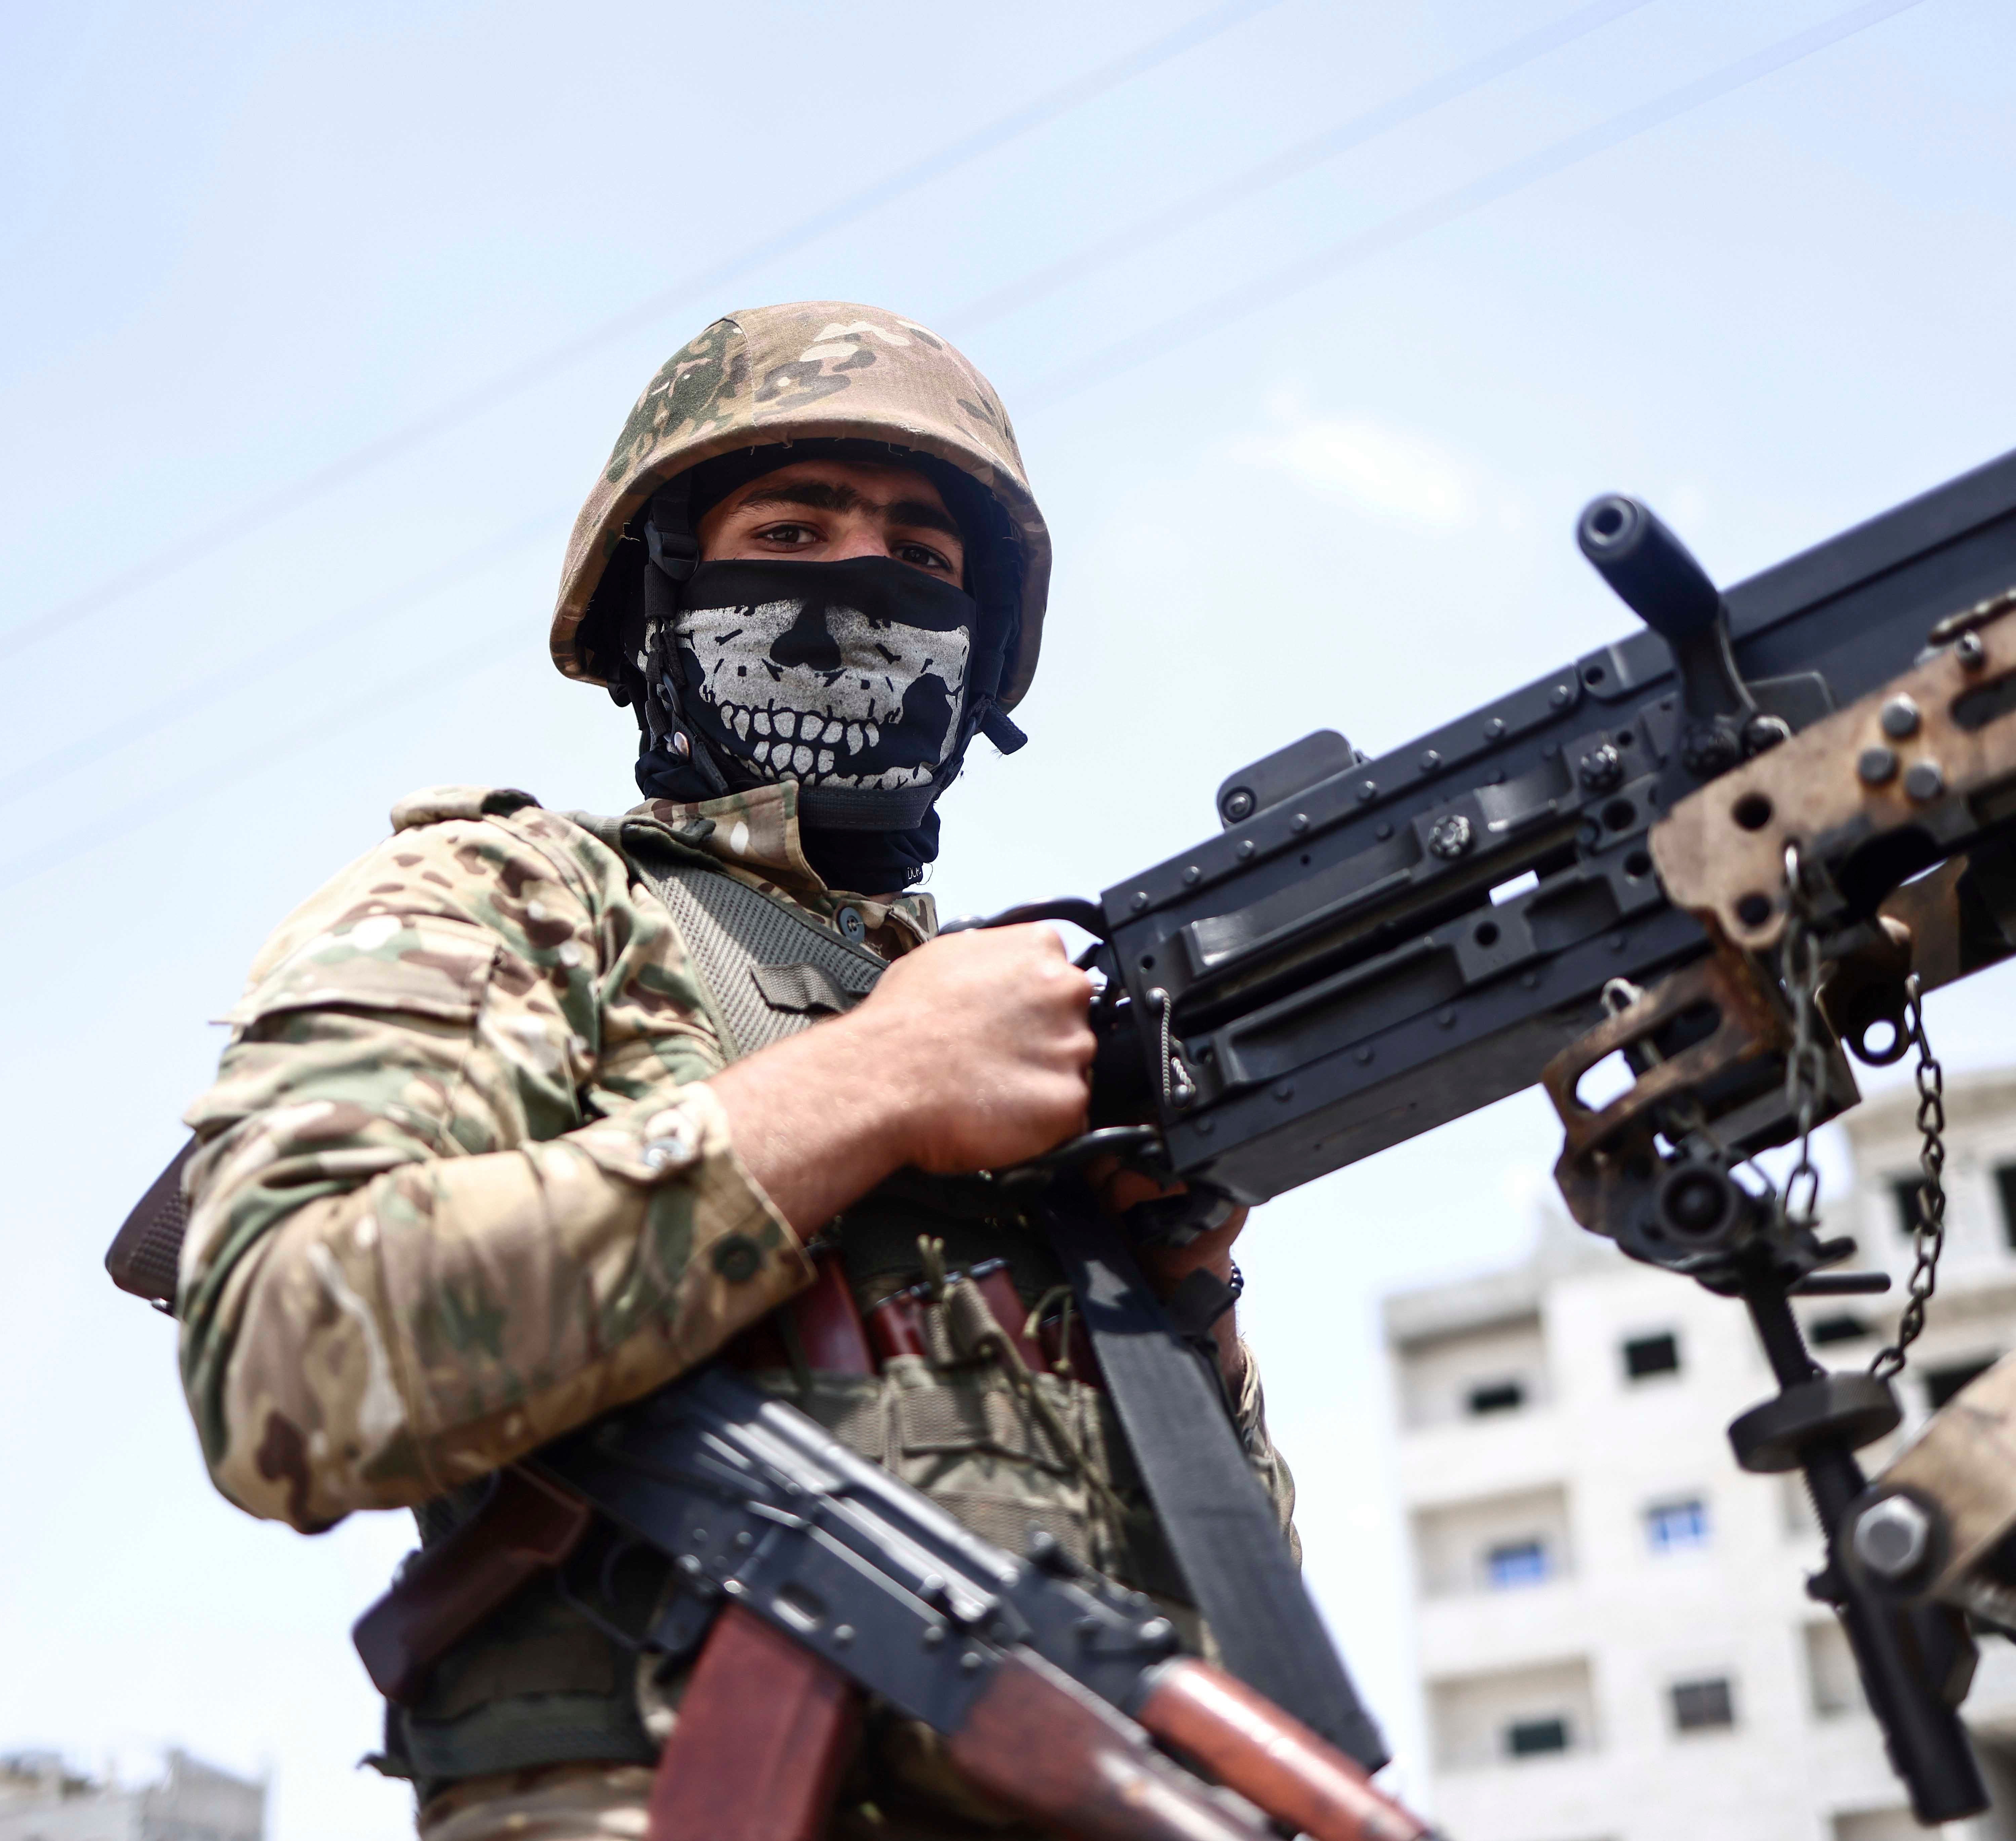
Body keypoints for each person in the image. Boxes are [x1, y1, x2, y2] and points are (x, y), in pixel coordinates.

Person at [173, 301, 1294, 1840]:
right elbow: (282, 1361)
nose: (855, 578)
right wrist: (871, 1086)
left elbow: (1235, 1627)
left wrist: (1182, 1311)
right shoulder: (520, 901)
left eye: (918, 556)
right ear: (658, 599)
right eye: (790, 524)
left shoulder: (1018, 1052)